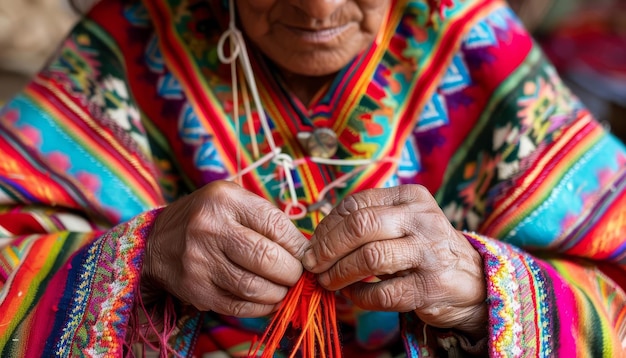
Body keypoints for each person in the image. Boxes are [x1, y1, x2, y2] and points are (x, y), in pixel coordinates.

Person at [0, 0, 624, 356]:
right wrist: (148, 254)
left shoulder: (476, 46)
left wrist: (483, 292)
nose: (319, 5)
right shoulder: (133, 39)